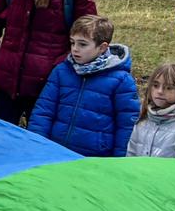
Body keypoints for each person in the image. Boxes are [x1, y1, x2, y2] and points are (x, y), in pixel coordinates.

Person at [27, 15, 140, 157]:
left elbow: (126, 125)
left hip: (95, 158)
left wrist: (119, 160)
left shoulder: (121, 81)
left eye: (82, 44)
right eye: (72, 43)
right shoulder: (61, 72)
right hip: (56, 150)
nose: (75, 49)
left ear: (102, 47)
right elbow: (44, 110)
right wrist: (36, 143)